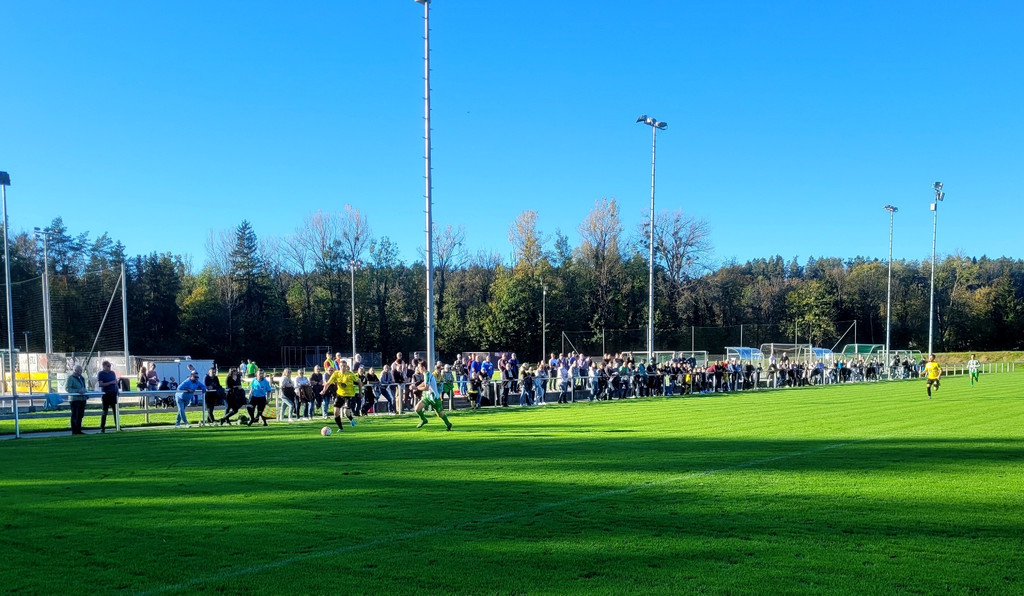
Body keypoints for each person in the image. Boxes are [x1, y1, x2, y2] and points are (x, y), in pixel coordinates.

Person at [414, 360, 453, 431]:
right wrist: (416, 386)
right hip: (428, 397)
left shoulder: (427, 374)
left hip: (435, 398)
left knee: (440, 414)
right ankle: (424, 420)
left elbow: (426, 388)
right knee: (417, 408)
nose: (418, 368)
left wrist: (417, 388)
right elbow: (424, 383)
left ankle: (448, 424)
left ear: (423, 367)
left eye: (419, 367)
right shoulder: (426, 374)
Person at [322, 360, 359, 431]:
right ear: (339, 366)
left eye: (344, 366)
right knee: (336, 412)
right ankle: (340, 428)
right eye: (341, 366)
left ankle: (351, 419)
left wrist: (360, 392)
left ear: (346, 367)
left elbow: (359, 382)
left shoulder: (350, 374)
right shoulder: (336, 373)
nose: (343, 367)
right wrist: (324, 390)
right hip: (339, 394)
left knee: (346, 412)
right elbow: (328, 383)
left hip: (349, 395)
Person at [96, 360, 119, 433]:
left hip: (113, 394)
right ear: (104, 366)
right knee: (105, 412)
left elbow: (115, 382)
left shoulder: (112, 373)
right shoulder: (101, 374)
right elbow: (100, 384)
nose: (109, 367)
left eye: (110, 366)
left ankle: (117, 426)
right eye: (108, 366)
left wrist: (117, 390)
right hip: (106, 394)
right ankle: (102, 427)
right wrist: (110, 383)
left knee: (115, 411)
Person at [66, 364, 89, 435]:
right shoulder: (71, 378)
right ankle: (74, 431)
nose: (81, 371)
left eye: (81, 370)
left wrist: (86, 394)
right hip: (74, 400)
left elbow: (84, 387)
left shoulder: (82, 378)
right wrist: (77, 391)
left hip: (82, 399)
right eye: (79, 370)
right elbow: (68, 388)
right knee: (75, 415)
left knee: (80, 415)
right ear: (75, 370)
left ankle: (79, 430)